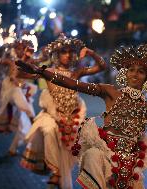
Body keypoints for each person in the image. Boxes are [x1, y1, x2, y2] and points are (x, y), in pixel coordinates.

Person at [16, 43, 147, 189]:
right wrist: (41, 71)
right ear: (124, 73)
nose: (135, 74)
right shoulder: (110, 92)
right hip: (104, 155)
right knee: (92, 156)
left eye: (141, 71)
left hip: (130, 164)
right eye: (131, 70)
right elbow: (73, 84)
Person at [19, 34, 106, 189]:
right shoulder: (48, 71)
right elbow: (22, 74)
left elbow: (101, 67)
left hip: (73, 118)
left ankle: (59, 175)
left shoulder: (76, 73)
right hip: (52, 115)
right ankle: (55, 170)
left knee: (69, 154)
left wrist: (90, 52)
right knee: (48, 129)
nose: (67, 55)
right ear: (57, 54)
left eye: (70, 52)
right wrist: (32, 58)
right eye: (63, 52)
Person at [0, 39, 37, 156]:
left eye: (23, 49)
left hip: (22, 92)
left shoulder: (30, 62)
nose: (20, 51)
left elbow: (40, 62)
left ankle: (13, 148)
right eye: (18, 48)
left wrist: (46, 54)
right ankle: (32, 116)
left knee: (24, 124)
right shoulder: (11, 61)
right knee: (19, 96)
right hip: (10, 90)